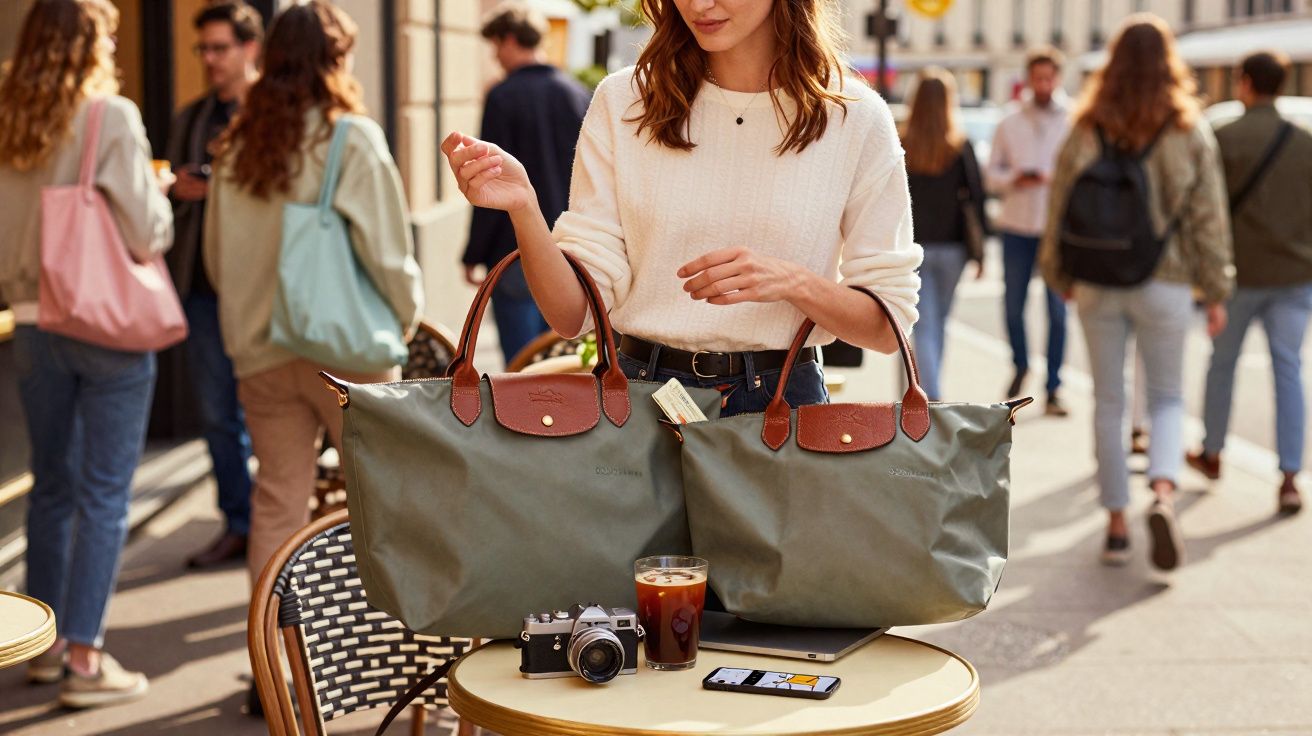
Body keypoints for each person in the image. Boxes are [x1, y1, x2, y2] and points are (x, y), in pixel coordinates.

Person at [442, 0, 922, 423]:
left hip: (781, 407)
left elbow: (887, 326)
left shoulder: (855, 117)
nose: (699, 4)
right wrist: (524, 206)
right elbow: (572, 315)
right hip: (636, 402)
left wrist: (792, 282)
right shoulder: (624, 102)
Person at [203, 0, 424, 588]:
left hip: (260, 349)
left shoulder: (236, 148)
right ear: (336, 60)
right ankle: (365, 659)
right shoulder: (349, 138)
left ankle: (273, 661)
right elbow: (388, 254)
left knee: (277, 501)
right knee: (380, 506)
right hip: (349, 353)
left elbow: (216, 260)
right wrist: (405, 320)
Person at [0, 0, 174, 707]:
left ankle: (41, 650)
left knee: (52, 486)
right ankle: (84, 660)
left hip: (33, 321)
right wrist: (159, 194)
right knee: (104, 494)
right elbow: (146, 235)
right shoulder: (111, 116)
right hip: (104, 324)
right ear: (93, 44)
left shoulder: (9, 119)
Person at [1039, 14, 1233, 571]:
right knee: (1168, 397)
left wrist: (1058, 275)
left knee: (1109, 400)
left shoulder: (1087, 125)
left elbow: (1058, 207)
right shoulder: (1188, 128)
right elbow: (1209, 219)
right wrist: (1215, 289)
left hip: (1097, 282)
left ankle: (1117, 525)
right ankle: (1164, 492)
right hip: (1166, 282)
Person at [1188, 50, 1312, 516]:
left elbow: (1203, 210)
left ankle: (1213, 452)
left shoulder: (1223, 137)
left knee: (1222, 364)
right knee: (1289, 371)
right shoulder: (1305, 141)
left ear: (1244, 82)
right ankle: (1289, 476)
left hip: (1238, 275)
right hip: (1296, 275)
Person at [167, 0, 262, 570]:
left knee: (272, 417)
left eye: (220, 48)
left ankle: (285, 533)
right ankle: (240, 523)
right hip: (202, 291)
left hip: (260, 294)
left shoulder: (268, 114)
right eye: (202, 49)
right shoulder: (191, 117)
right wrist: (179, 188)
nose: (209, 59)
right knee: (218, 415)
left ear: (250, 48)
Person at [465, 3, 591, 365]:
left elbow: (488, 179)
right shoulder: (577, 92)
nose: (495, 57)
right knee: (563, 362)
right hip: (571, 246)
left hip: (515, 246)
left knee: (521, 369)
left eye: (495, 47)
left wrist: (474, 252)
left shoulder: (503, 96)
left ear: (508, 40)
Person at [988, 46, 1071, 416]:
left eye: (1049, 77)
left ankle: (1054, 386)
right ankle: (1020, 365)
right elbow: (991, 174)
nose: (1043, 84)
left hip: (1056, 230)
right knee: (1013, 305)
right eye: (1037, 77)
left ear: (1058, 78)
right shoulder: (1009, 122)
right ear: (1029, 78)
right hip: (1017, 226)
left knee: (1058, 311)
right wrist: (1014, 179)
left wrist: (1055, 181)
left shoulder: (1072, 120)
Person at [901, 67, 986, 401]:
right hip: (953, 248)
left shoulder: (903, 142)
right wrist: (980, 255)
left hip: (913, 246)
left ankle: (925, 393)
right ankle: (930, 394)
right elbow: (977, 198)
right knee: (938, 324)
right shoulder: (959, 146)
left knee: (922, 324)